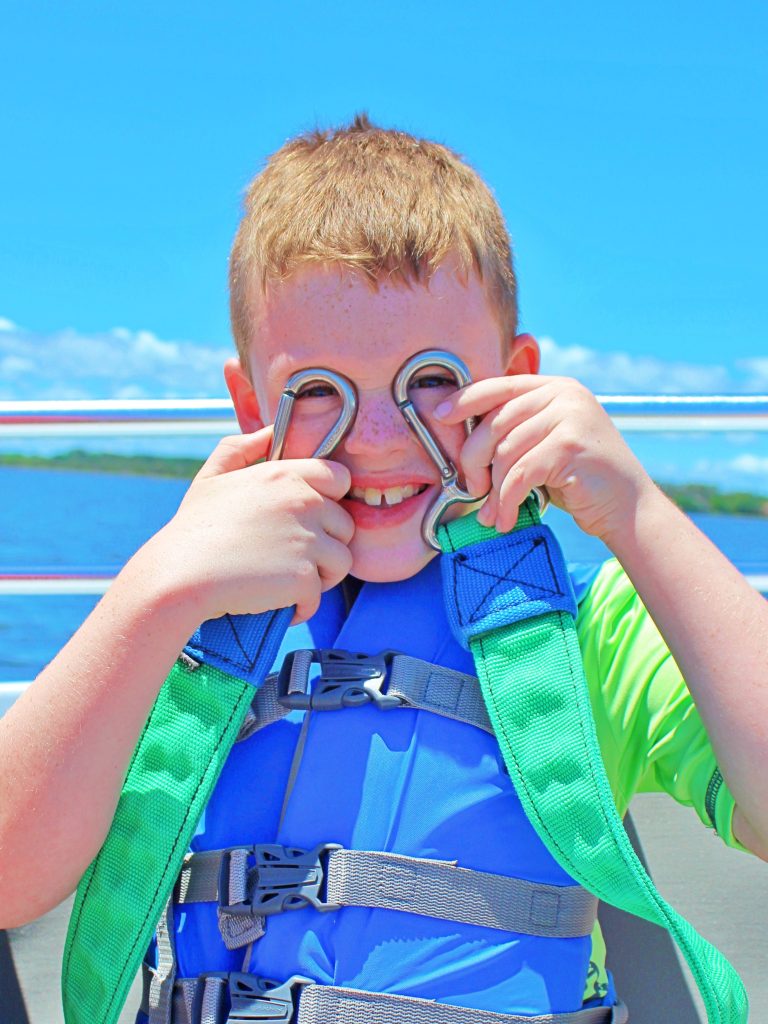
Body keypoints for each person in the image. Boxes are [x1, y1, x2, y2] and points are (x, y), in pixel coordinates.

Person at [1, 114, 767, 1022]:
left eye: (431, 381)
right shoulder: (185, 635)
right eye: (317, 390)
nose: (377, 437)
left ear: (514, 380)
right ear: (250, 402)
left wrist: (638, 516)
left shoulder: (579, 635)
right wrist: (154, 593)